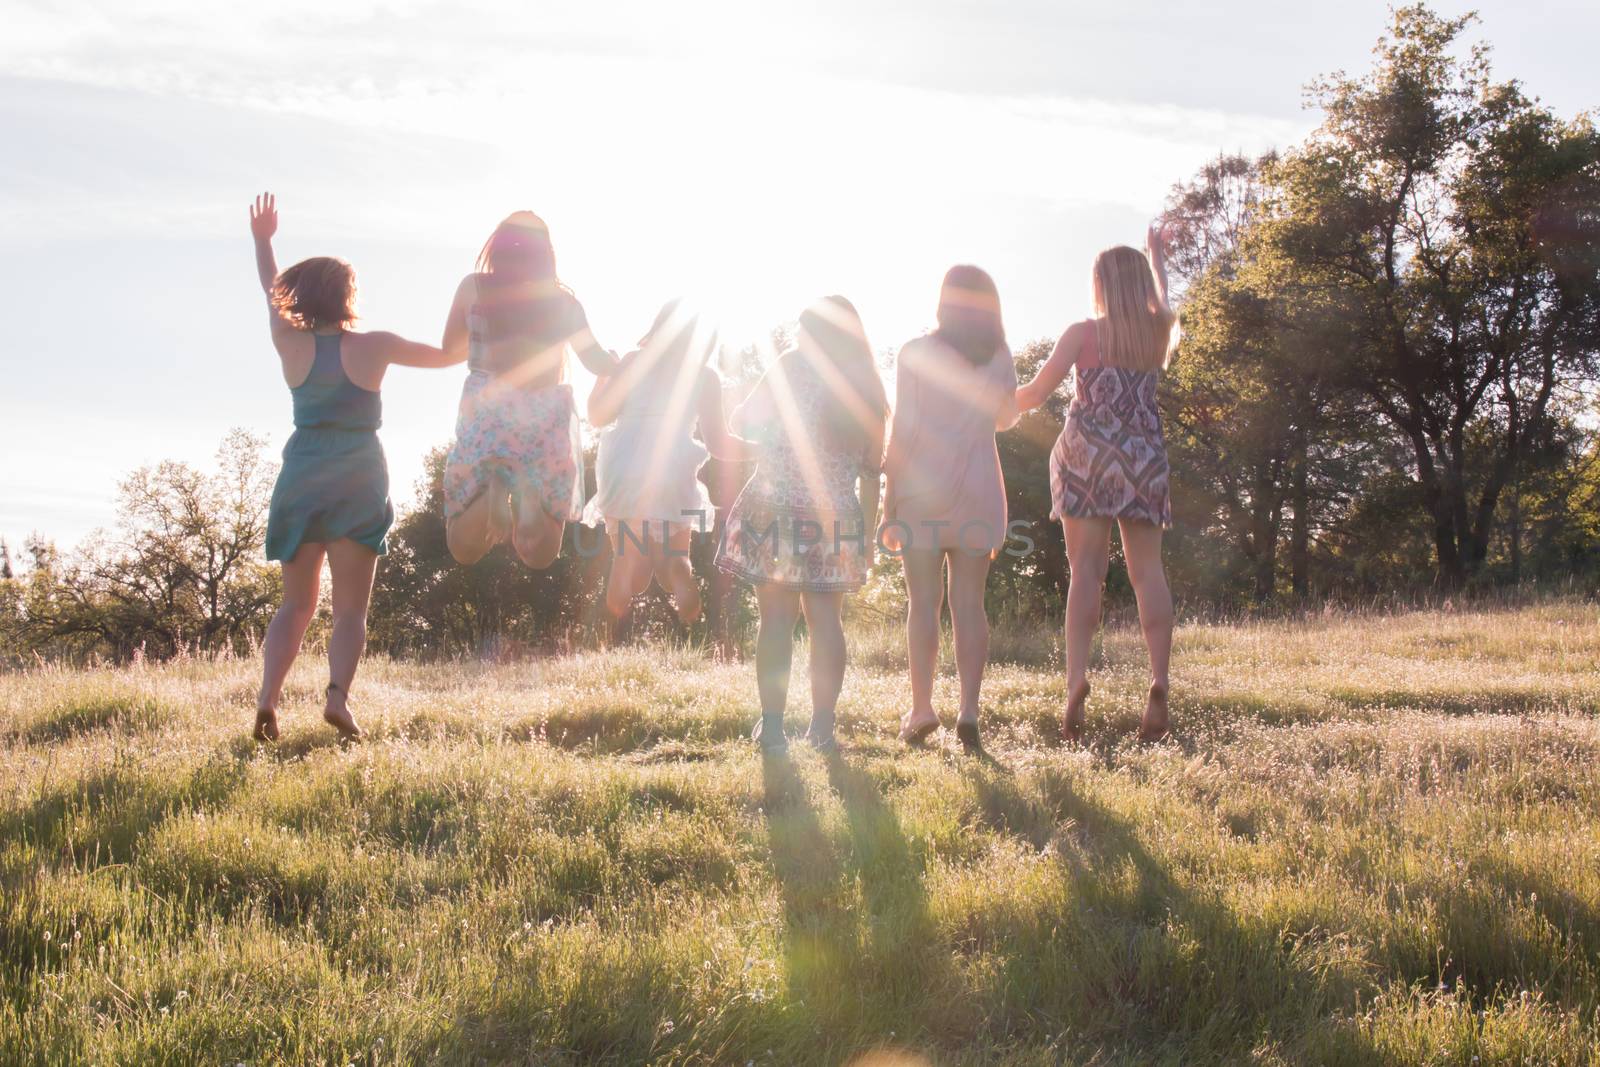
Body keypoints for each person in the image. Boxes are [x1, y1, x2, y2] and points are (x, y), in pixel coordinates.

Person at [248, 192, 460, 742]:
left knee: (296, 603)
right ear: (347, 296)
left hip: (303, 473)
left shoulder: (287, 343)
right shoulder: (377, 346)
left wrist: (264, 241)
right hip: (359, 474)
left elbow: (271, 295)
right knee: (349, 611)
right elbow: (445, 355)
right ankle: (337, 699)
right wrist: (476, 315)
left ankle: (268, 699)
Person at [1015, 223, 1178, 743]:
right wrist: (1157, 261)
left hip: (1086, 457)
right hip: (1142, 458)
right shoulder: (1157, 331)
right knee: (1147, 572)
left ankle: (1076, 682)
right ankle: (1159, 680)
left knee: (1085, 570)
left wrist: (990, 400)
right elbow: (1164, 301)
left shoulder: (1082, 334)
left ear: (1100, 285)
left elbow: (1036, 395)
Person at [716, 296, 888, 752]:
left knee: (775, 618)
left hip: (774, 508)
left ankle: (772, 728)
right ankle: (823, 729)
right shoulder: (868, 387)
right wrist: (865, 537)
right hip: (835, 517)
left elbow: (741, 422)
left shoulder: (790, 366)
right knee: (826, 621)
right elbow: (872, 473)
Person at [884, 266, 1019, 753]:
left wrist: (889, 503)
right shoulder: (999, 355)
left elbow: (904, 430)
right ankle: (969, 711)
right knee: (969, 605)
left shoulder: (916, 353)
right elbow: (1005, 419)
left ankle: (922, 709)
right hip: (980, 491)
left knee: (923, 603)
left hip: (922, 492)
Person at [439, 212, 620, 569]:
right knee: (541, 555)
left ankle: (496, 488)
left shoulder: (473, 287)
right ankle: (526, 492)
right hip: (545, 416)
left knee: (462, 547)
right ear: (546, 254)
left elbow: (450, 347)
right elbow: (597, 362)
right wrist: (619, 365)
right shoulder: (566, 304)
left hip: (489, 410)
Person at [585, 299, 750, 623]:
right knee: (674, 560)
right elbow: (719, 444)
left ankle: (623, 566)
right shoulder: (705, 376)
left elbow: (597, 416)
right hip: (672, 466)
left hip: (624, 466)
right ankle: (681, 578)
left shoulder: (633, 362)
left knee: (631, 565)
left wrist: (602, 377)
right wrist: (763, 448)